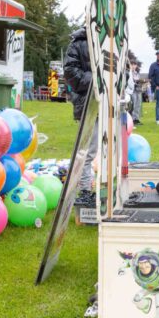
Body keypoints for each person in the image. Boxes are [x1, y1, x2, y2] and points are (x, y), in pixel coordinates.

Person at [63, 27, 96, 203]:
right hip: (87, 103)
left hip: (108, 105)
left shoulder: (111, 41)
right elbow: (70, 73)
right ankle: (84, 190)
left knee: (101, 149)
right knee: (87, 150)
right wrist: (96, 80)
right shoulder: (77, 44)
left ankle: (98, 187)